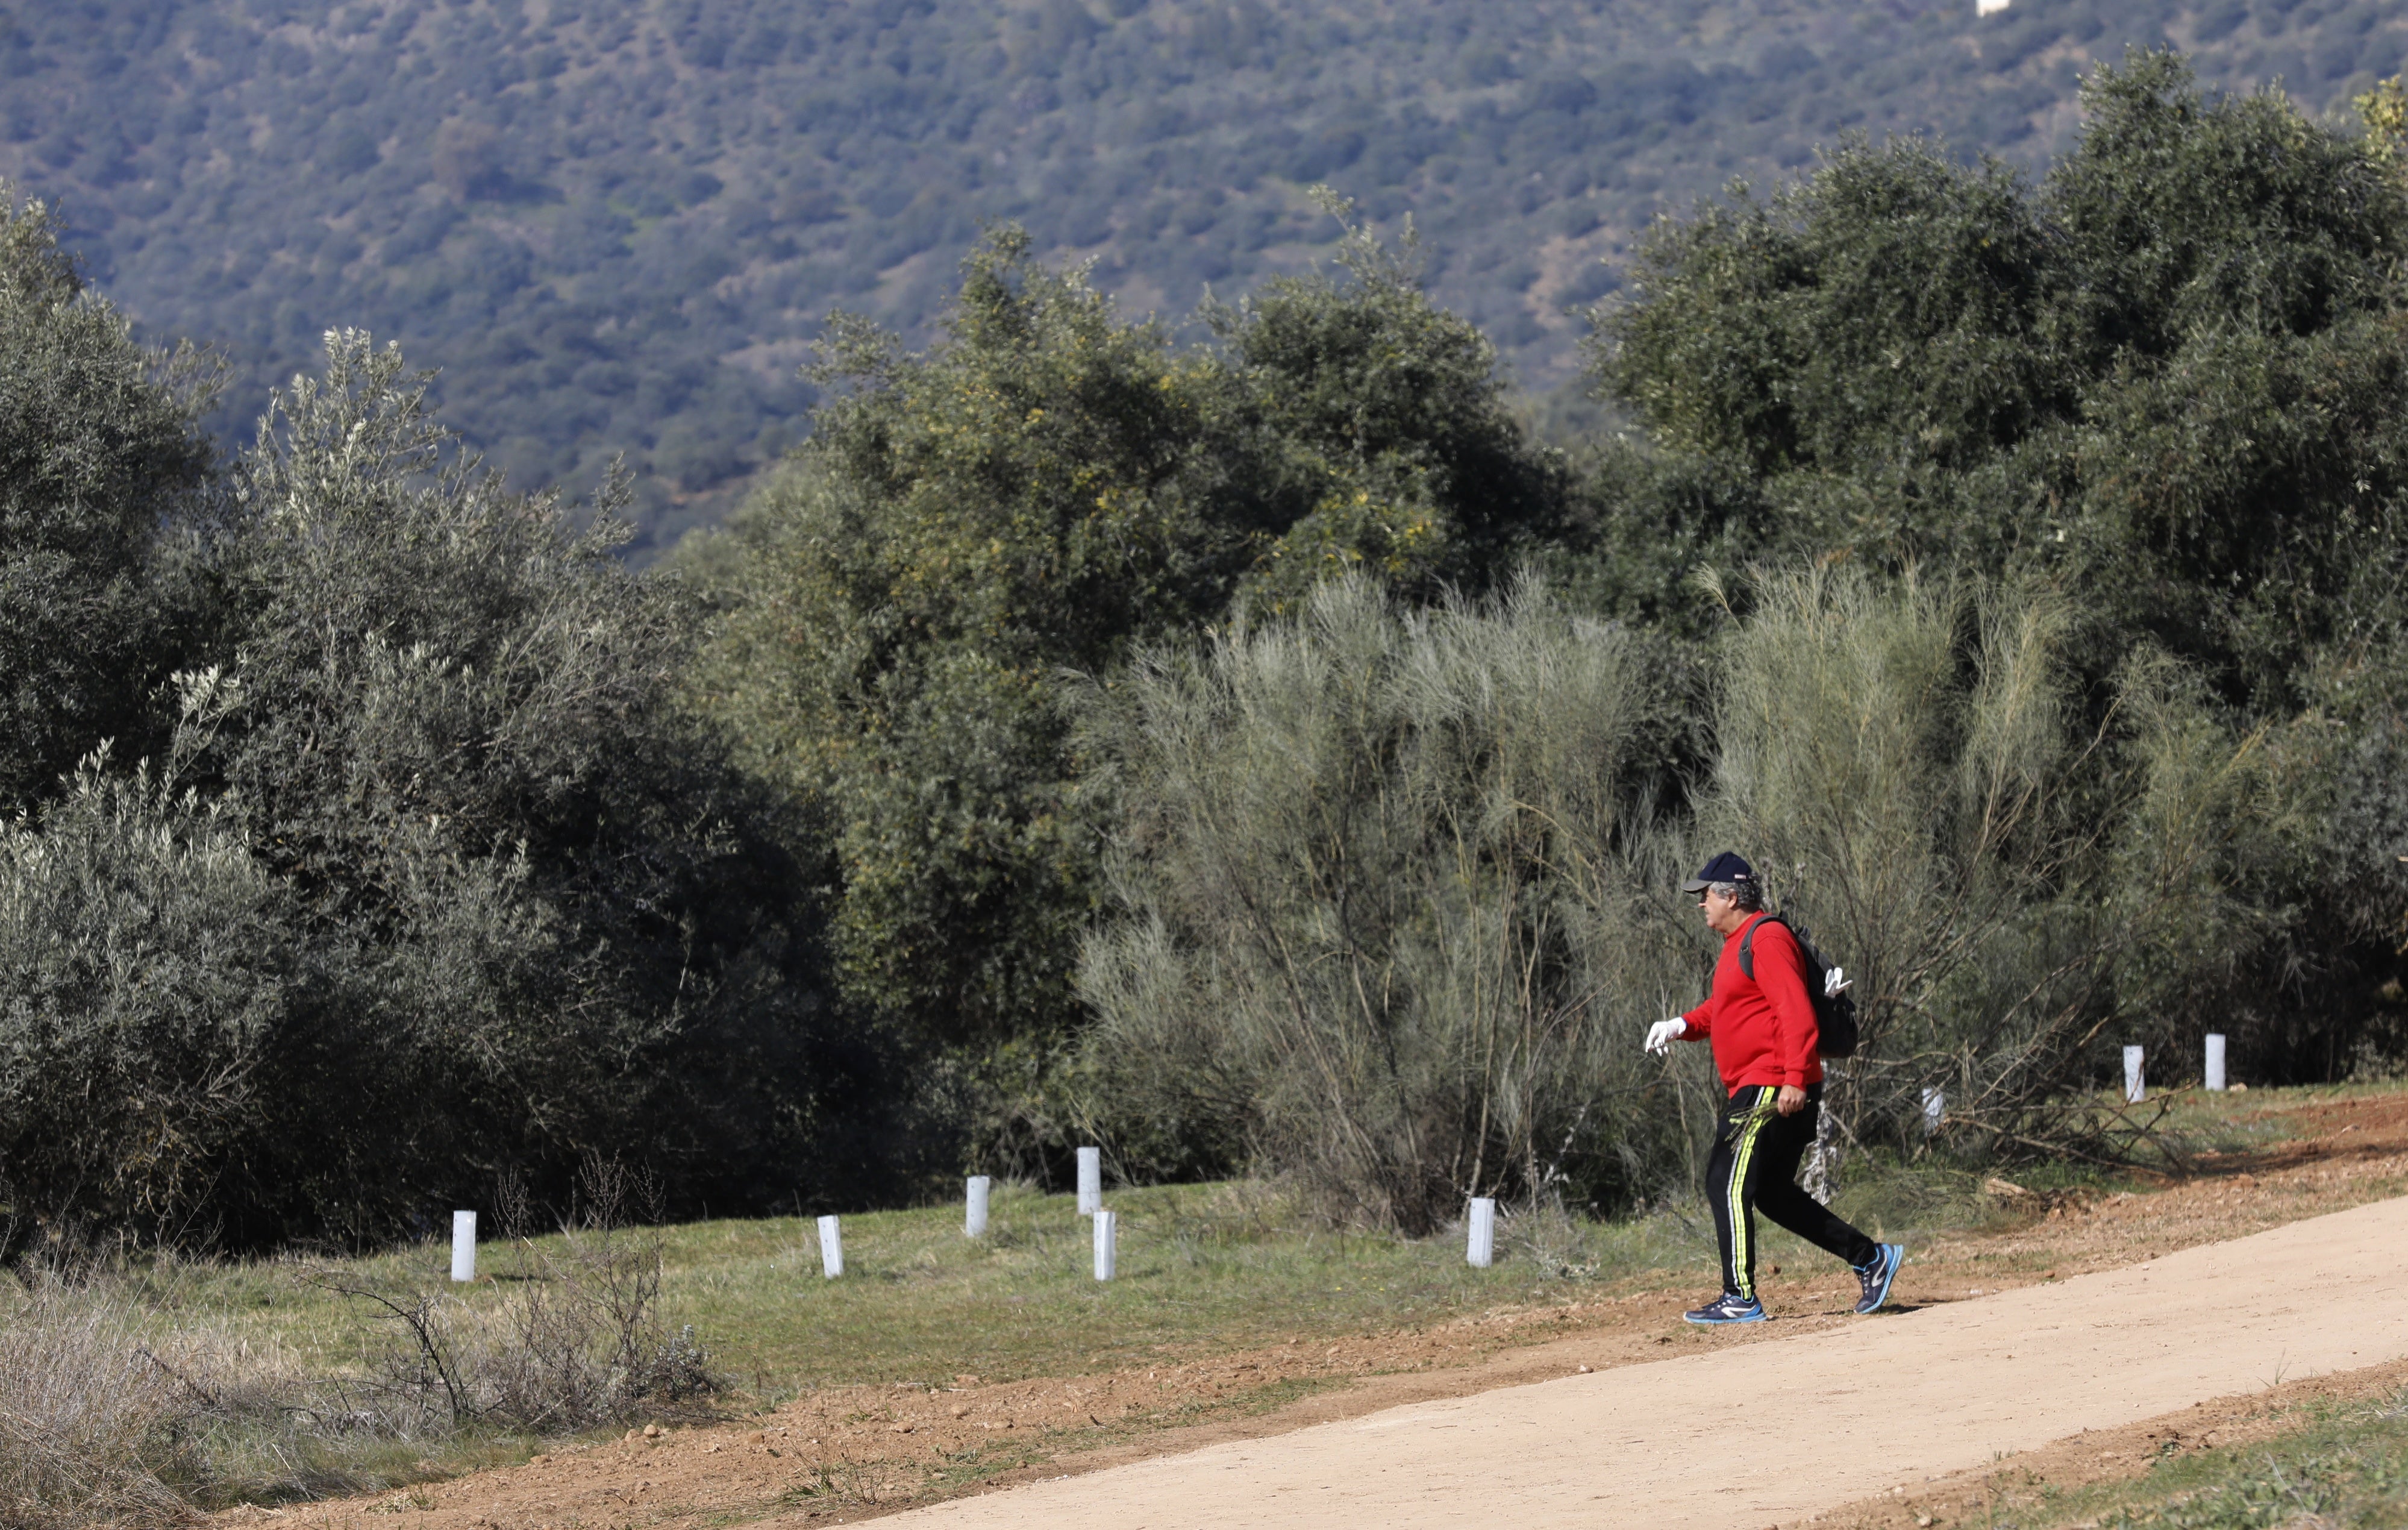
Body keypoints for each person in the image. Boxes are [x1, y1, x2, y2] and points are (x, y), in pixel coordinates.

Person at [1645, 851, 1904, 1324]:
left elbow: (1794, 1013)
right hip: (1767, 1083)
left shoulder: (1765, 938)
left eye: (1705, 894)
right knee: (1771, 1194)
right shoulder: (1738, 945)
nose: (1700, 902)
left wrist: (1792, 1077)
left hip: (1769, 1083)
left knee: (1724, 1181)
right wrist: (1680, 1023)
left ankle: (1739, 1296)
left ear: (1730, 896)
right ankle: (1871, 1258)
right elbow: (1726, 1012)